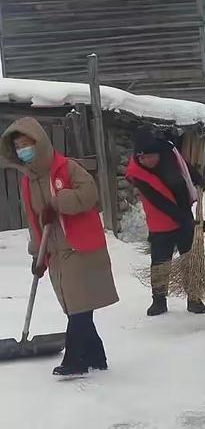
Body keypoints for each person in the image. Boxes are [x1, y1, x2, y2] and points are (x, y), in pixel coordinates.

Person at [0, 117, 119, 377]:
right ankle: (97, 357)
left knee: (78, 307)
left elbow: (89, 194)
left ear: (39, 143)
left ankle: (74, 360)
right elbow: (34, 221)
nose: (23, 150)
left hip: (80, 249)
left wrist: (57, 203)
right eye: (18, 147)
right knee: (75, 307)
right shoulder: (27, 182)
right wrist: (38, 255)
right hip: (55, 254)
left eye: (26, 144)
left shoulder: (67, 168)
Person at [126, 126, 205, 316]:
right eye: (141, 158)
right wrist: (184, 221)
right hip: (160, 221)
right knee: (160, 262)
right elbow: (160, 202)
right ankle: (159, 301)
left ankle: (194, 298)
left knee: (191, 258)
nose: (146, 161)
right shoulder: (138, 174)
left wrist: (198, 179)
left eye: (150, 156)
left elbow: (185, 168)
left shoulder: (170, 154)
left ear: (158, 153)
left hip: (183, 212)